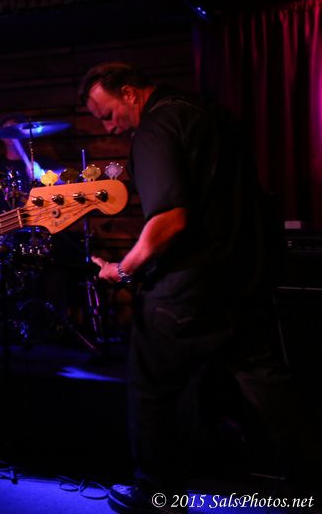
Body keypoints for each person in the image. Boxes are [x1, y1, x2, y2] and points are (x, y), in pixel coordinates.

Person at [79, 62, 317, 512]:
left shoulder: (154, 129)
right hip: (245, 277)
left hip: (189, 289)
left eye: (107, 114)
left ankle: (157, 497)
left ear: (129, 92)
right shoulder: (207, 112)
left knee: (151, 388)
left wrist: (123, 270)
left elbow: (170, 220)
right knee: (271, 389)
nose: (109, 127)